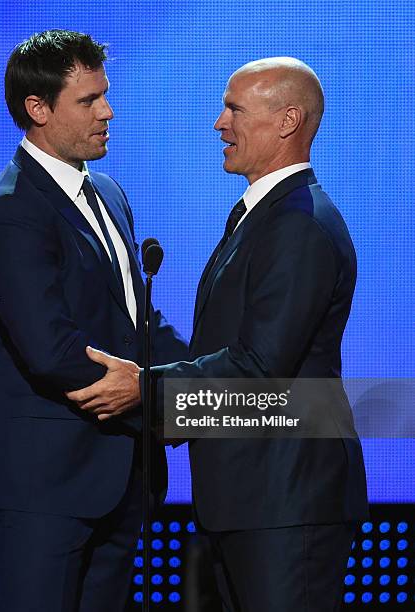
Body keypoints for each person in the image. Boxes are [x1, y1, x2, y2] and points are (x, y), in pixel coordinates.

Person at [68, 57, 369, 611]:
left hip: (285, 504)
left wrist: (146, 390)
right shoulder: (265, 216)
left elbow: (261, 369)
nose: (218, 124)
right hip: (253, 502)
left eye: (234, 109)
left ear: (287, 121)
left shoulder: (298, 225)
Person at [0, 29, 187, 612]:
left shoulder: (108, 193)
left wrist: (201, 371)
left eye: (105, 95)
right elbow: (53, 351)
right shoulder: (11, 212)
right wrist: (156, 395)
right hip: (49, 489)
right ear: (36, 109)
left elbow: (136, 317)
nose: (108, 112)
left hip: (124, 481)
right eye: (89, 101)